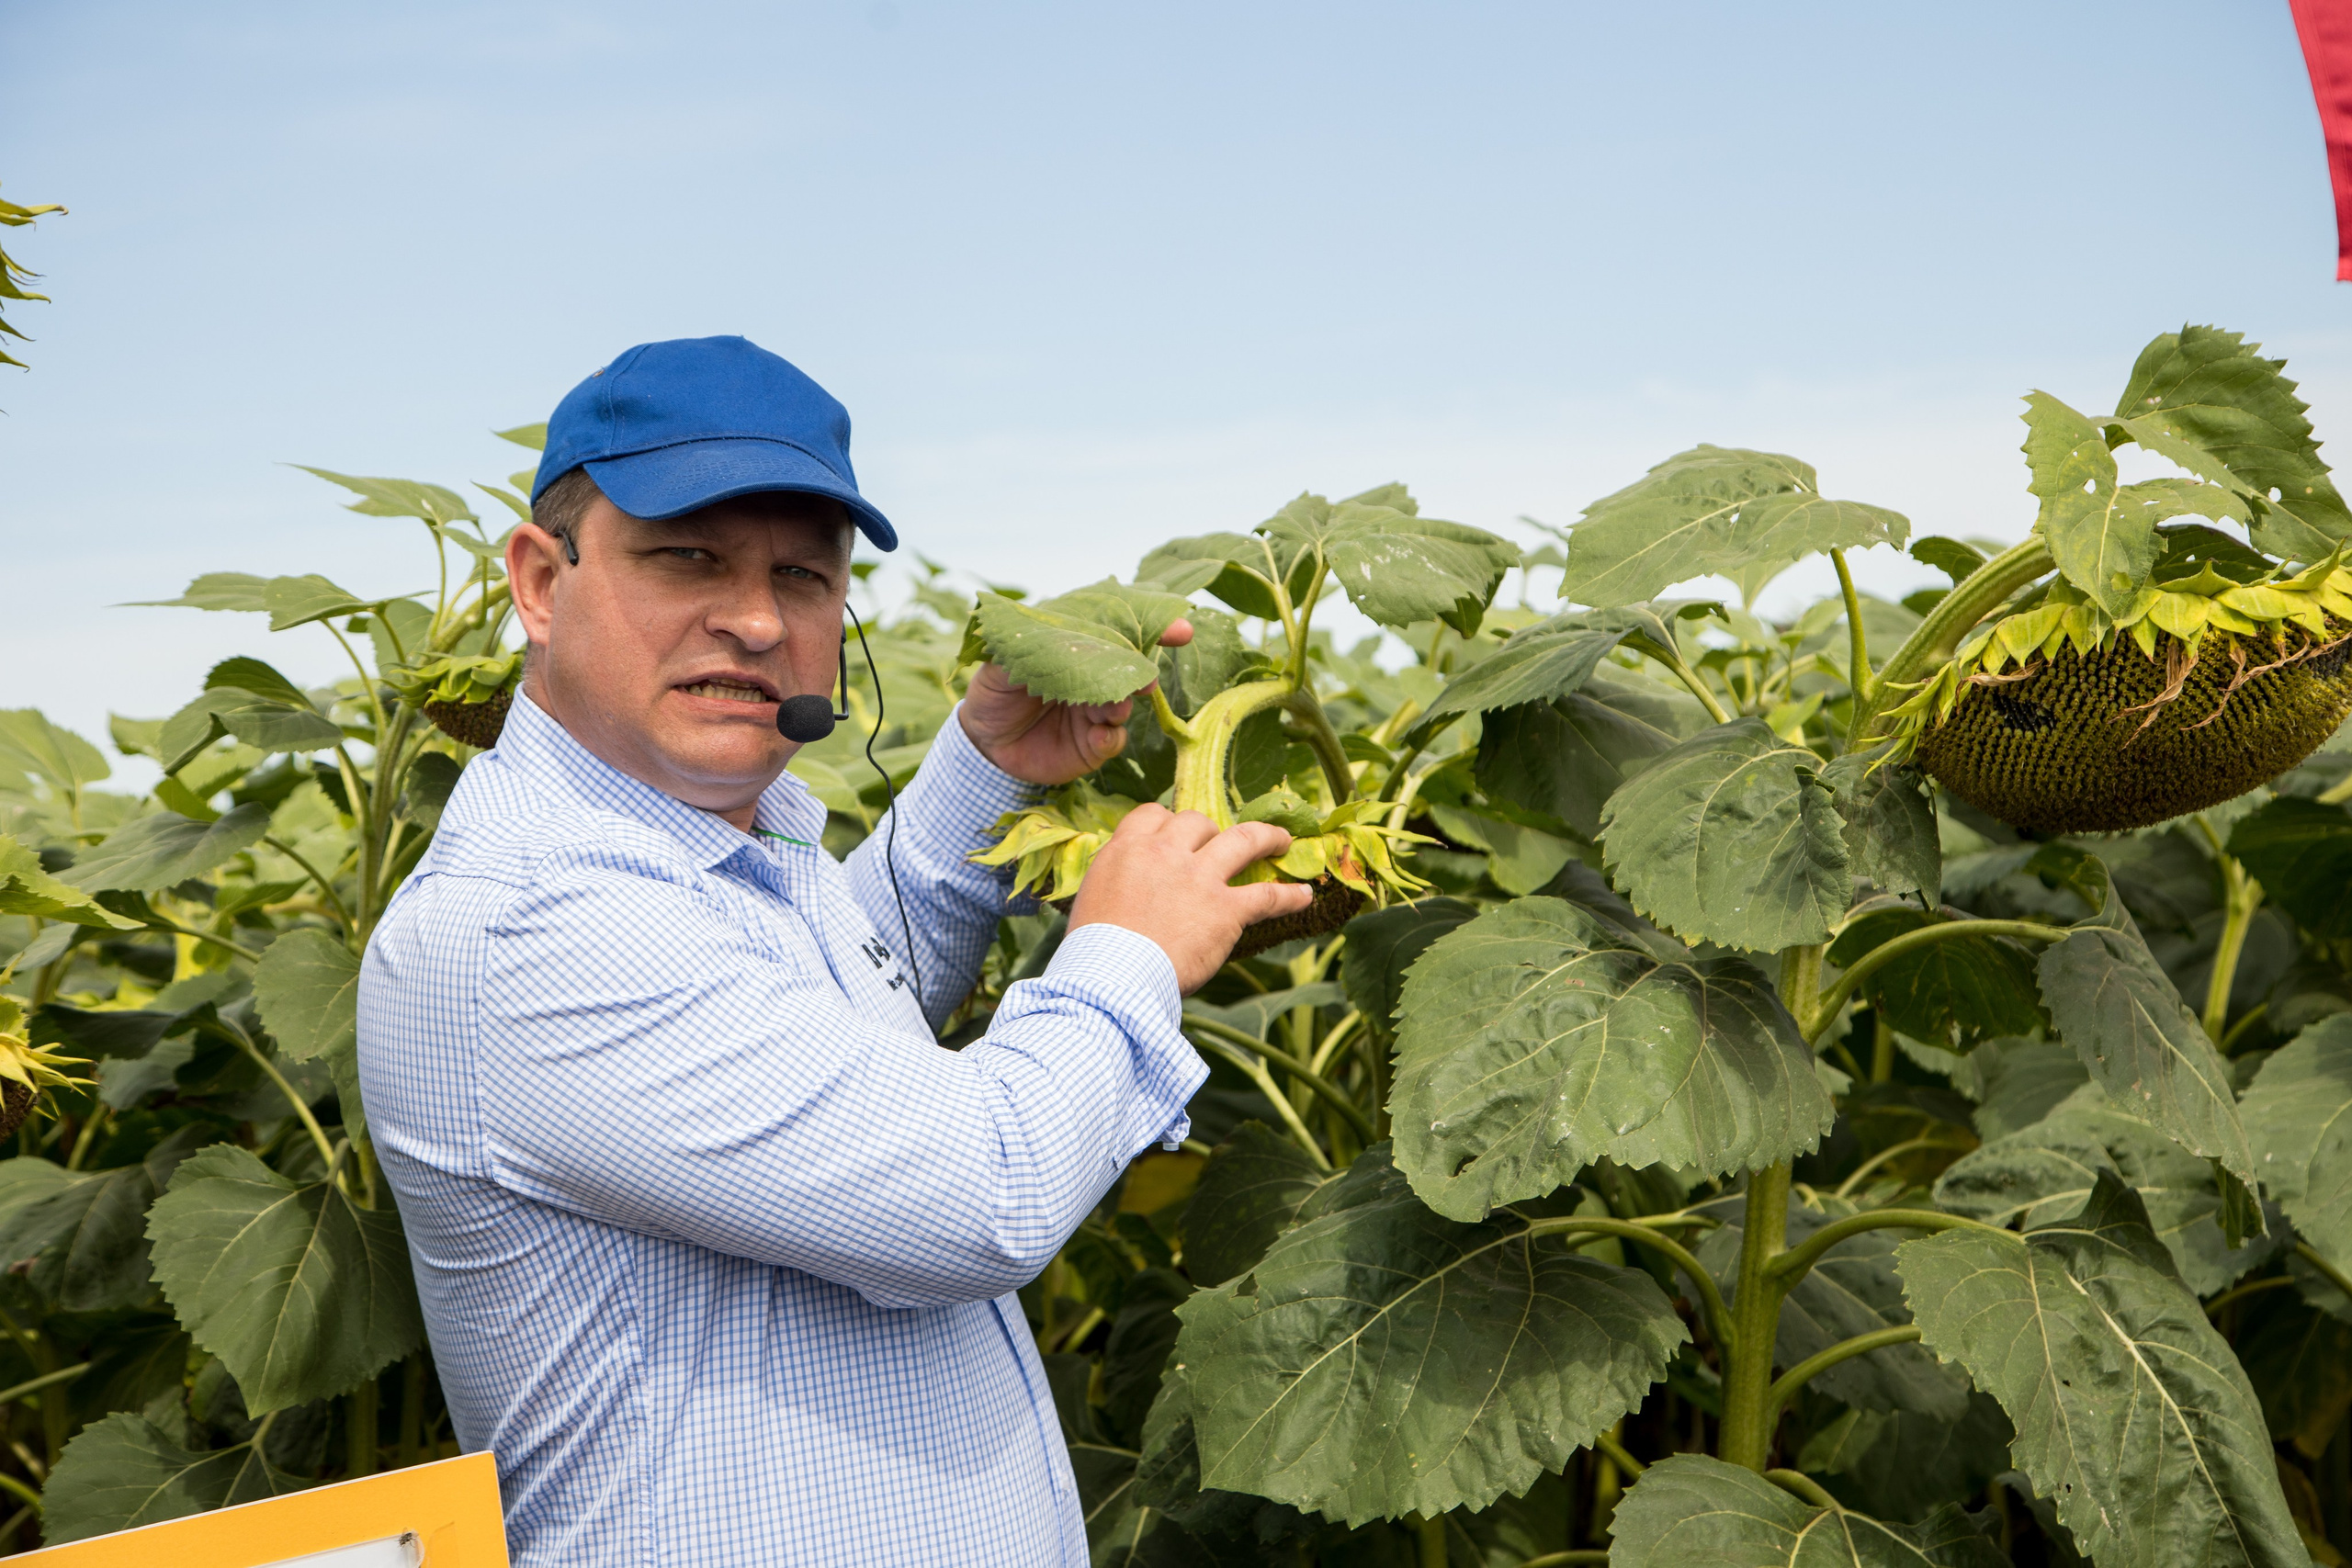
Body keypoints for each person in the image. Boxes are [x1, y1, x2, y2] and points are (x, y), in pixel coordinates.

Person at [356, 335, 1313, 1567]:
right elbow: (984, 1190)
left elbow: (829, 1031)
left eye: (805, 578)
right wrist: (1126, 948)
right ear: (542, 581)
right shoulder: (531, 926)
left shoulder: (696, 858)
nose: (754, 619)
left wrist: (984, 773)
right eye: (686, 556)